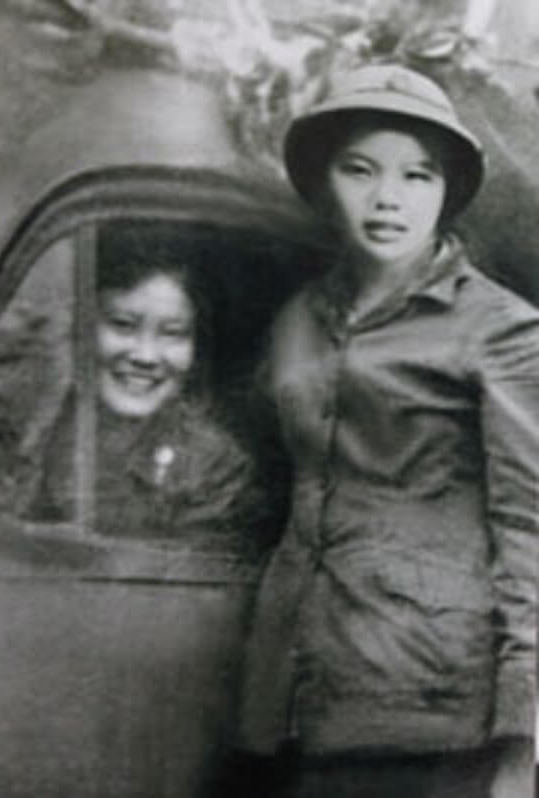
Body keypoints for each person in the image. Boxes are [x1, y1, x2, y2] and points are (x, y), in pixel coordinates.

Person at [230, 65, 538, 797]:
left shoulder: (501, 331)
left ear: (446, 194)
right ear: (323, 182)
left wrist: (524, 739)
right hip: (298, 696)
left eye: (418, 175)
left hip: (430, 704)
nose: (388, 198)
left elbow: (531, 529)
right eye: (360, 169)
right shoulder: (298, 320)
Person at [33, 220, 283, 558]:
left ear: (196, 348)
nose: (145, 356)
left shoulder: (216, 468)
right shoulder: (37, 424)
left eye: (173, 333)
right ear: (80, 325)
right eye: (123, 325)